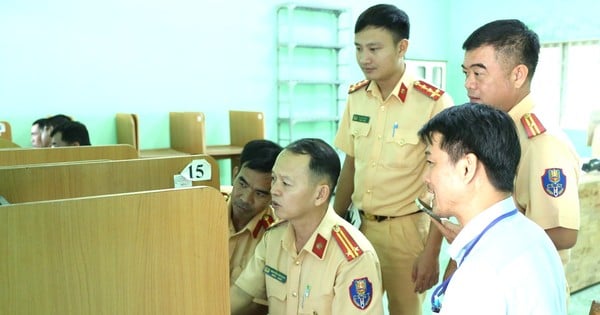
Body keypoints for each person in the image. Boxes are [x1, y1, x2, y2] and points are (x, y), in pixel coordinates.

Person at [436, 19, 580, 286]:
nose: (468, 84)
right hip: (488, 278)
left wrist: (482, 239)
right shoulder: (493, 130)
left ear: (518, 75)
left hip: (525, 287)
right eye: (466, 72)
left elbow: (563, 232)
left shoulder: (540, 143)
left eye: (479, 73)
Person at [333, 4, 454, 314]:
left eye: (374, 48)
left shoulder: (433, 102)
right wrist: (333, 220)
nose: (364, 58)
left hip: (407, 234)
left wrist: (432, 252)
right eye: (358, 48)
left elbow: (444, 184)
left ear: (402, 47)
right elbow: (351, 162)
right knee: (353, 307)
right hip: (360, 227)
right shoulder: (357, 96)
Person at [419, 103, 566, 314]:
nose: (427, 177)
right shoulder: (534, 235)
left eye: (431, 162)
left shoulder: (478, 276)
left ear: (467, 168)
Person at [230, 138, 383, 315]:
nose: (274, 190)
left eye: (286, 183)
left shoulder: (352, 258)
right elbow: (240, 295)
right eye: (274, 179)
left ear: (320, 194)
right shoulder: (273, 238)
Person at [227, 139, 282, 315]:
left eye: (259, 193)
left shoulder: (276, 234)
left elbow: (259, 306)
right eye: (242, 184)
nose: (245, 198)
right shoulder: (204, 211)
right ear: (234, 174)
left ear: (273, 195)